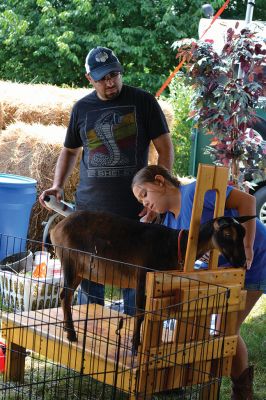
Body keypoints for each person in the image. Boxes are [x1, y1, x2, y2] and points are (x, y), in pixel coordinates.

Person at [39, 47, 174, 315]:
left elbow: (166, 149)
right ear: (89, 78)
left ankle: (133, 347)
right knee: (89, 287)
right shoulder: (82, 109)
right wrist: (57, 184)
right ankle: (88, 349)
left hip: (134, 212)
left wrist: (158, 193)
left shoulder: (144, 102)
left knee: (136, 285)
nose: (110, 82)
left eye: (114, 74)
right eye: (102, 77)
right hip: (90, 213)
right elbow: (69, 151)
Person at [132, 164, 266, 400]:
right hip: (223, 273)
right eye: (140, 201)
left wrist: (246, 246)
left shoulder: (196, 192)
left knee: (226, 329)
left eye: (144, 194)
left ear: (160, 181)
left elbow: (247, 201)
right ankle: (179, 384)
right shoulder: (168, 225)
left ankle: (242, 393)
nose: (144, 203)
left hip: (255, 261)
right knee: (213, 329)